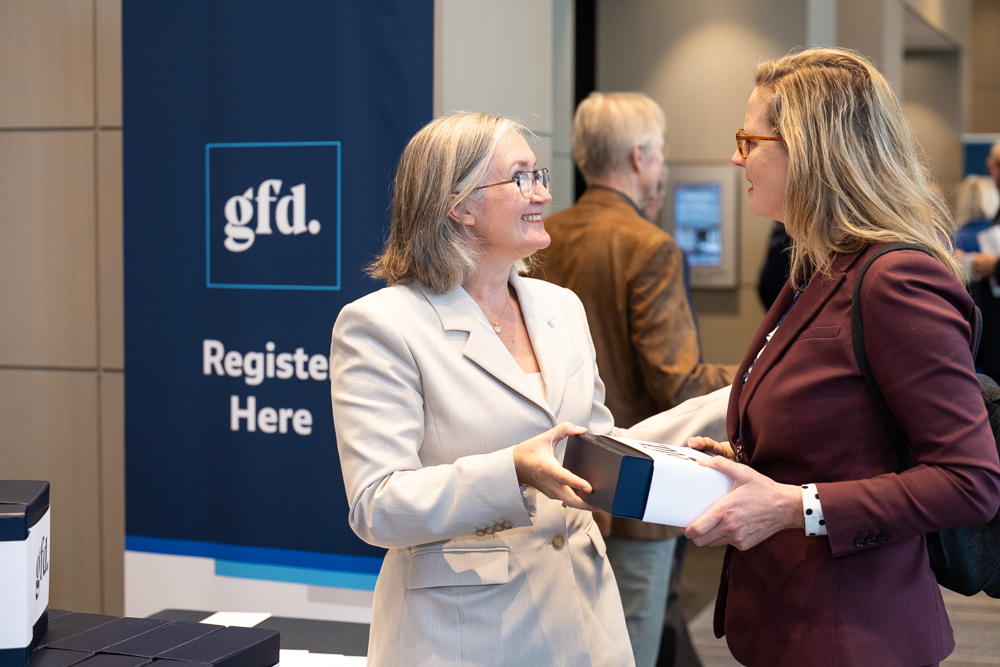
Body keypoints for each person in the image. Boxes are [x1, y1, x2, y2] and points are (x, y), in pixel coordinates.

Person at [330, 112, 731, 666]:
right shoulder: (382, 325)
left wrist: (730, 408)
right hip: (465, 635)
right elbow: (377, 506)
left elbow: (599, 449)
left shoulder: (560, 306)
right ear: (461, 205)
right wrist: (512, 470)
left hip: (584, 616)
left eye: (539, 174)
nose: (543, 192)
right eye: (521, 177)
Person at [682, 48, 1000, 666]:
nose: (737, 157)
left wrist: (791, 507)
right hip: (795, 623)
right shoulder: (821, 270)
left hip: (856, 633)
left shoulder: (895, 280)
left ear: (810, 151)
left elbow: (970, 481)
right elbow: (837, 434)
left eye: (749, 140)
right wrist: (746, 462)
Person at [532, 92, 736, 667]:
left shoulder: (542, 237)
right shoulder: (650, 247)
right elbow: (679, 382)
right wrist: (761, 370)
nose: (663, 164)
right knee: (628, 648)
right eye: (662, 151)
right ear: (640, 156)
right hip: (635, 492)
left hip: (559, 482)